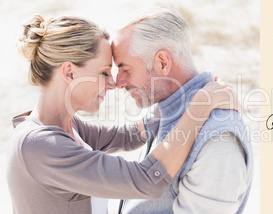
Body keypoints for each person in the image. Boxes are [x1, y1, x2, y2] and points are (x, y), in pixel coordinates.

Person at [6, 14, 239, 214]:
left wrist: (185, 93)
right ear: (69, 73)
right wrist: (199, 107)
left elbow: (130, 135)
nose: (113, 83)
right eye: (104, 73)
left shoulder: (68, 128)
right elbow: (146, 180)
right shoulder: (39, 146)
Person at [112, 8, 254, 214]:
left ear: (162, 62)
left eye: (125, 69)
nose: (118, 82)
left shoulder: (219, 136)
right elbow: (109, 139)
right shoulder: (164, 112)